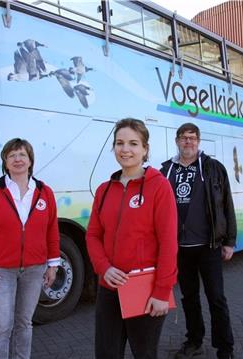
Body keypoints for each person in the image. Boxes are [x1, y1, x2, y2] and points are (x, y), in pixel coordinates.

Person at [86, 118, 178, 359]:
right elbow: (93, 235)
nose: (125, 149)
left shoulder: (159, 187)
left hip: (144, 288)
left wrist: (161, 292)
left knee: (144, 354)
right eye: (119, 143)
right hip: (109, 287)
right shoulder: (104, 190)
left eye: (133, 143)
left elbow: (169, 243)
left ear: (145, 149)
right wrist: (104, 268)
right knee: (106, 354)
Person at [0, 138, 60, 359]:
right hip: (1, 270)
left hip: (34, 269)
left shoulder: (44, 192)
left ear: (30, 160)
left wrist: (53, 265)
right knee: (1, 326)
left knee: (24, 323)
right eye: (12, 155)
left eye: (22, 155)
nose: (18, 159)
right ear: (5, 161)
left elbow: (51, 231)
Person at [160, 123, 236, 359]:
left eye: (192, 138)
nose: (188, 142)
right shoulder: (165, 171)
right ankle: (194, 341)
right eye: (183, 138)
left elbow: (226, 205)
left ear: (199, 141)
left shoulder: (214, 168)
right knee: (189, 298)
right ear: (177, 141)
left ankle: (225, 349)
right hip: (180, 249)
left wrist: (229, 241)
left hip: (208, 246)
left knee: (216, 298)